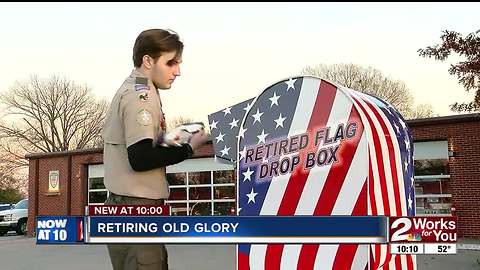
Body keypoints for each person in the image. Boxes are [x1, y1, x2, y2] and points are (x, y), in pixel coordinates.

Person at [102, 28, 209, 270]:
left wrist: (175, 136)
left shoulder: (137, 86)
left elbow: (140, 142)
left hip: (130, 209)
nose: (177, 71)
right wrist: (188, 149)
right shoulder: (141, 96)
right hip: (136, 210)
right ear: (148, 61)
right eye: (171, 63)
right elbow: (140, 157)